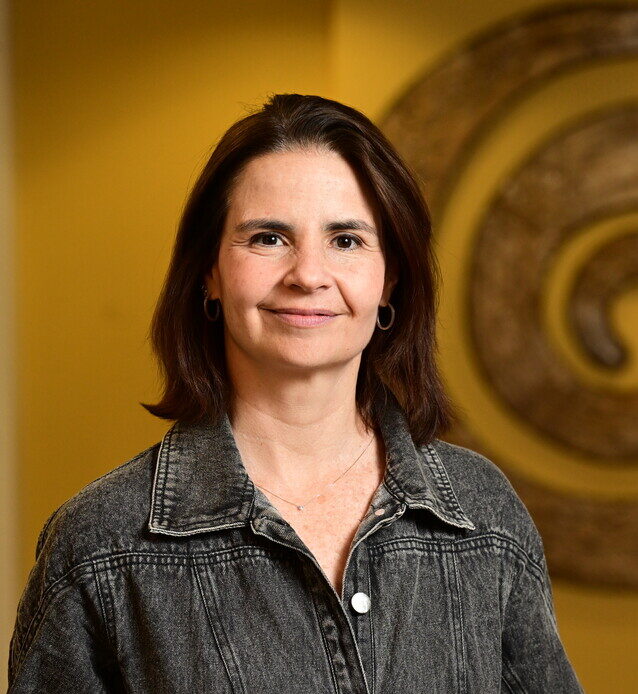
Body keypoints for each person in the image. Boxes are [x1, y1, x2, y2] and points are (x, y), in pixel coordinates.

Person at [7, 93, 584, 693]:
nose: (308, 275)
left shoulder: (482, 514)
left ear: (390, 281)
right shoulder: (102, 544)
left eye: (346, 240)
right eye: (267, 238)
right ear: (208, 272)